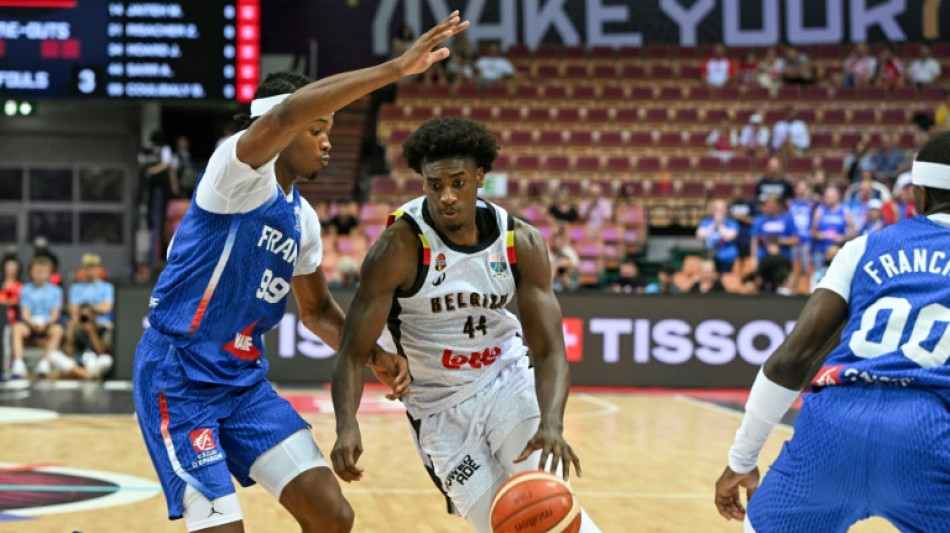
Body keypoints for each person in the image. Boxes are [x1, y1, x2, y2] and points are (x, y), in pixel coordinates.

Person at [131, 13, 467, 533]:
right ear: (283, 128)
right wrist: (397, 68)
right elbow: (286, 113)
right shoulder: (233, 172)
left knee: (332, 515)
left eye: (329, 130)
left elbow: (316, 312)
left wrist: (373, 355)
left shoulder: (303, 219)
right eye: (317, 129)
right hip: (178, 375)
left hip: (242, 383)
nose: (327, 142)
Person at [330, 117, 602, 533]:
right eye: (434, 185)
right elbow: (351, 352)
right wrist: (347, 424)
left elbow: (548, 350)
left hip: (505, 383)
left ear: (480, 177)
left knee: (551, 515)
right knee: (500, 525)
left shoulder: (520, 242)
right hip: (437, 409)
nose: (447, 197)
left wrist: (552, 423)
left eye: (458, 182)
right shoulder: (398, 248)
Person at [715, 131, 950, 532]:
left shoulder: (862, 249)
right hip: (928, 431)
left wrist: (742, 459)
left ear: (919, 195)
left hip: (834, 423)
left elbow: (791, 360)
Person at [9, 256, 67, 378]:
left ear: (49, 273)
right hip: (30, 324)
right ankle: (18, 363)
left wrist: (46, 323)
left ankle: (45, 363)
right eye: (37, 271)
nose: (40, 274)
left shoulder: (56, 291)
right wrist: (32, 323)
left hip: (47, 324)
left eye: (43, 271)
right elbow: (25, 313)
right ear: (31, 272)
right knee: (16, 328)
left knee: (58, 330)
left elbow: (55, 314)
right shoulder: (25, 289)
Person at [65, 253, 115, 378]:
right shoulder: (76, 288)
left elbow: (107, 307)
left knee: (107, 358)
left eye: (93, 268)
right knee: (69, 325)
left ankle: (82, 372)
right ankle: (85, 371)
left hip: (100, 323)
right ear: (83, 269)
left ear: (99, 269)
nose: (90, 271)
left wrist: (90, 310)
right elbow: (74, 309)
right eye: (87, 268)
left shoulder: (107, 287)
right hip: (80, 322)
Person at [811, 186, 854, 271]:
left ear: (838, 197)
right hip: (821, 249)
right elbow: (812, 231)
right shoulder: (820, 210)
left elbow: (854, 232)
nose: (830, 199)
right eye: (827, 197)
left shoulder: (845, 210)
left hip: (838, 250)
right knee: (818, 275)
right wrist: (820, 235)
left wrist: (842, 237)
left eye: (832, 197)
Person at [750, 195, 798, 265]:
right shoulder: (759, 220)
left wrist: (779, 241)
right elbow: (755, 240)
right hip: (764, 258)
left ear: (778, 205)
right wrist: (754, 257)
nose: (769, 207)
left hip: (783, 258)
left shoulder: (787, 219)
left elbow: (796, 239)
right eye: (767, 205)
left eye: (772, 205)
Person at [696, 200, 740, 274]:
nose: (719, 212)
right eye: (716, 209)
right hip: (709, 256)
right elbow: (700, 235)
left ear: (725, 211)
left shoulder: (732, 223)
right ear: (712, 211)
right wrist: (713, 225)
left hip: (727, 258)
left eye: (721, 210)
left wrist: (720, 225)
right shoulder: (706, 222)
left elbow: (729, 237)